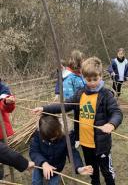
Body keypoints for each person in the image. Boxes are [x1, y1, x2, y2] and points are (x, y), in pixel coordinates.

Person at [33, 57, 123, 185]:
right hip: (86, 144)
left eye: (95, 79)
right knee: (93, 172)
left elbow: (117, 112)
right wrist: (44, 108)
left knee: (107, 171)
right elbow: (64, 105)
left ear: (101, 76)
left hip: (101, 144)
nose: (92, 83)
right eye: (88, 79)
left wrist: (111, 124)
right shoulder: (80, 94)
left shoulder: (106, 95)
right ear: (83, 77)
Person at [29, 114, 93, 185]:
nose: (53, 139)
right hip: (39, 164)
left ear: (59, 127)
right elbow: (34, 151)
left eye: (55, 136)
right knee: (36, 182)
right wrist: (43, 163)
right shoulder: (38, 133)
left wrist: (79, 168)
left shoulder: (66, 135)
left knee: (54, 183)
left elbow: (72, 152)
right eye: (49, 138)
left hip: (56, 167)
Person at [0, 79, 16, 179]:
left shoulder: (2, 88)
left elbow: (7, 107)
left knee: (3, 155)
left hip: (0, 131)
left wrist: (7, 101)